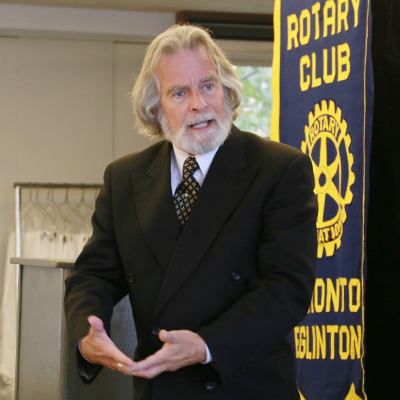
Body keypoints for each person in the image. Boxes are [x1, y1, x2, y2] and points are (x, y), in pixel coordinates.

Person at [64, 24, 318, 400]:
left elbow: (287, 288)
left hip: (245, 387)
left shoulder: (279, 169)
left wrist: (206, 345)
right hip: (159, 388)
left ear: (227, 90)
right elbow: (94, 274)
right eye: (179, 93)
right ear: (155, 109)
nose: (198, 104)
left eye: (208, 85)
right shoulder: (124, 178)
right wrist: (88, 332)